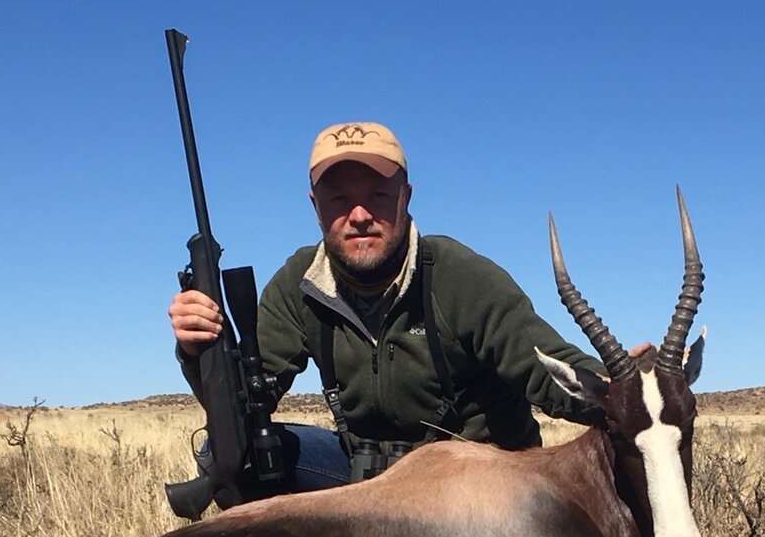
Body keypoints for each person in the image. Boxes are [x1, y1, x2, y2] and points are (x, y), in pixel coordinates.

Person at [168, 121, 625, 494]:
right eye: (340, 199)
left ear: (405, 197)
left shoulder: (461, 277)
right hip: (369, 478)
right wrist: (198, 352)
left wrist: (623, 391)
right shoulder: (298, 284)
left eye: (378, 196)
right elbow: (246, 402)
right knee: (231, 450)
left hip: (479, 476)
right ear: (316, 207)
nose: (360, 214)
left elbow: (546, 367)